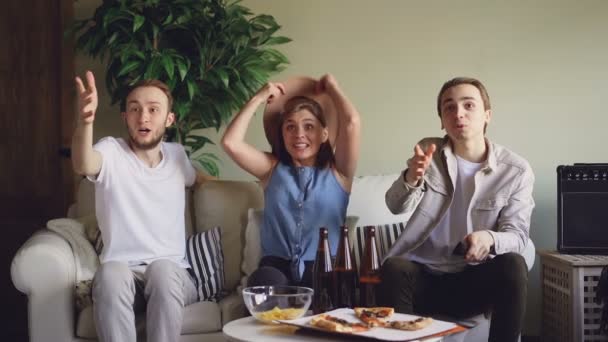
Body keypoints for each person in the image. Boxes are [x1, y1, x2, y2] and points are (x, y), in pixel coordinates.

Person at [379, 77, 535, 342]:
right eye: (448, 107)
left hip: (473, 280)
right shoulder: (430, 151)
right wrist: (411, 179)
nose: (458, 113)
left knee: (513, 264)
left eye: (468, 105)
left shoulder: (516, 170)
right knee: (394, 268)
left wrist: (489, 238)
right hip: (425, 278)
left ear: (487, 115)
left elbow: (518, 236)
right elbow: (395, 206)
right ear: (441, 119)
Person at [72, 71, 215, 342]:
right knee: (111, 271)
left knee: (161, 269)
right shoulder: (111, 152)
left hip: (173, 278)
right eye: (134, 109)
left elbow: (201, 180)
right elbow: (84, 164)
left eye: (153, 109)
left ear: (169, 119)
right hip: (124, 280)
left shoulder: (177, 156)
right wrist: (85, 122)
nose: (143, 117)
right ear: (125, 117)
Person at [221, 74, 361, 288]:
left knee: (331, 285)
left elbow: (351, 123)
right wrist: (258, 98)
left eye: (309, 126)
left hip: (325, 268)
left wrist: (333, 87)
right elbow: (231, 143)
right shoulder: (271, 169)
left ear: (324, 134)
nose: (299, 134)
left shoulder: (339, 171)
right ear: (282, 135)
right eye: (290, 127)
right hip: (276, 267)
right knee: (263, 281)